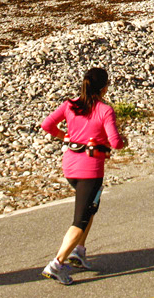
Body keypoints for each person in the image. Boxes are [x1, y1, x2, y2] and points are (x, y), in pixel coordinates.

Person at [40, 67, 127, 285]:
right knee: (81, 219)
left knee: (90, 207)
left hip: (70, 166)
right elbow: (115, 142)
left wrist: (65, 136)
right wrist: (123, 140)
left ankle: (79, 251)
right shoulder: (104, 110)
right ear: (105, 88)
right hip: (90, 170)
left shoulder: (71, 105)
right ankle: (57, 263)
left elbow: (47, 124)